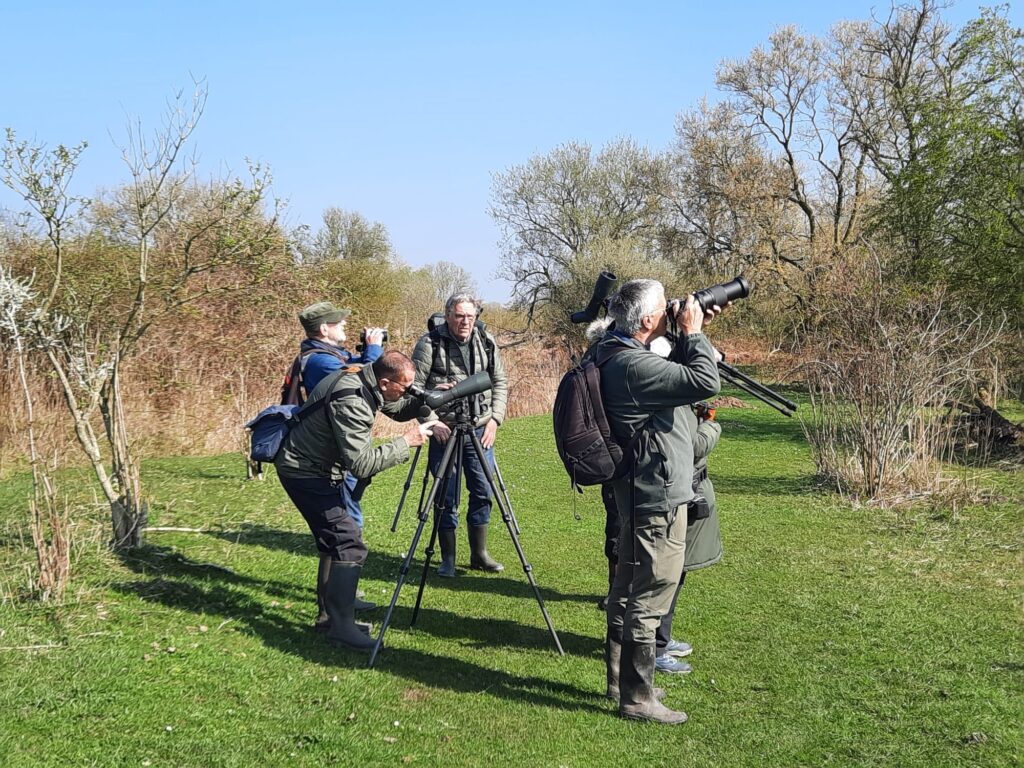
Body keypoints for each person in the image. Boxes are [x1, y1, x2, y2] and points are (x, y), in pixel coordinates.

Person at [597, 278, 722, 725]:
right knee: (650, 595)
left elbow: (676, 372)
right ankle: (637, 698)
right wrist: (694, 335)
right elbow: (704, 382)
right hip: (657, 495)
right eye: (661, 313)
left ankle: (619, 681)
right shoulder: (635, 366)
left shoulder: (612, 350)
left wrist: (682, 331)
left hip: (635, 490)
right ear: (649, 320)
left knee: (627, 587)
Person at [274, 350, 436, 652]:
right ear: (386, 382)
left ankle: (328, 619)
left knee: (334, 541)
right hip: (304, 471)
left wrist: (430, 397)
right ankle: (341, 627)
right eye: (406, 386)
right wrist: (406, 441)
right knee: (348, 542)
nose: (409, 391)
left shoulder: (363, 375)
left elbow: (396, 407)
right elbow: (360, 464)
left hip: (313, 467)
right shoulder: (353, 400)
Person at [292, 301, 386, 626]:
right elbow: (357, 380)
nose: (345, 328)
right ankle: (331, 613)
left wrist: (367, 353)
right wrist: (374, 352)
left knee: (344, 531)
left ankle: (342, 601)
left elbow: (355, 369)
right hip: (328, 457)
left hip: (336, 455)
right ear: (324, 329)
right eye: (340, 324)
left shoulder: (330, 357)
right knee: (341, 534)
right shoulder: (318, 361)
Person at [410, 292, 509, 577]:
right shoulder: (430, 344)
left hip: (480, 429)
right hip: (446, 432)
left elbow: (500, 381)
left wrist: (495, 421)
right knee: (446, 494)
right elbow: (415, 389)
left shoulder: (486, 342)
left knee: (483, 489)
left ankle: (479, 554)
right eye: (459, 316)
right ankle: (448, 558)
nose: (465, 321)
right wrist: (431, 421)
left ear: (476, 316)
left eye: (470, 316)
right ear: (448, 315)